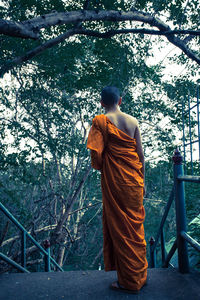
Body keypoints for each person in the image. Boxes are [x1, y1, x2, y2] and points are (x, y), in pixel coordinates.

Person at [86, 86, 148, 294]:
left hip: (115, 182)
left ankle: (129, 282)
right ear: (120, 101)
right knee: (135, 230)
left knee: (121, 231)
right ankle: (139, 275)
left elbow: (96, 156)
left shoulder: (100, 121)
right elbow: (140, 155)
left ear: (103, 103)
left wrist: (107, 165)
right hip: (134, 182)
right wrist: (143, 181)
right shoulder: (133, 121)